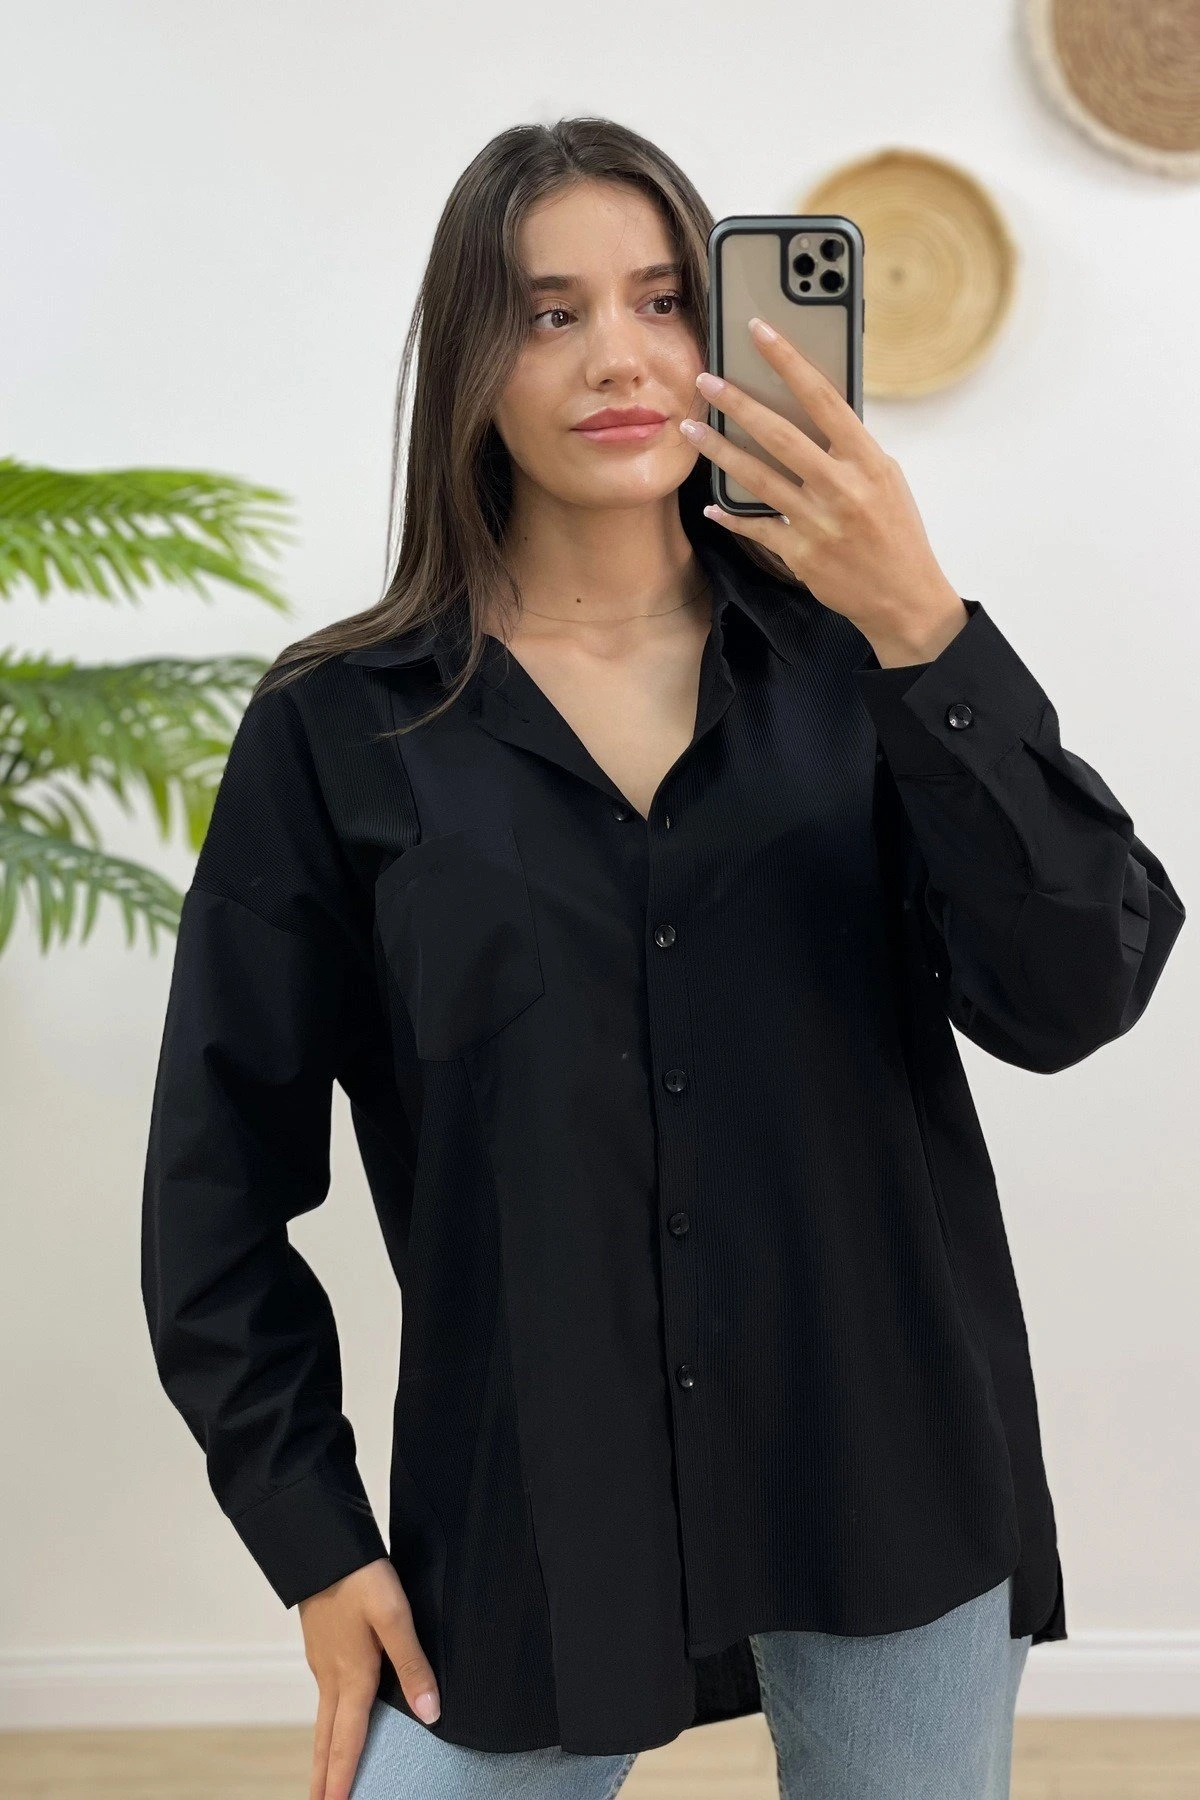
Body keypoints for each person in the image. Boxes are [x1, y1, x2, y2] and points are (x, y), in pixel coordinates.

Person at [140, 118, 1186, 1800]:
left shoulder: (866, 663)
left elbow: (1079, 990)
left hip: (891, 1465)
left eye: (661, 300)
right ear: (469, 361)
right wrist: (315, 1542)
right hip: (540, 1503)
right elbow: (213, 1188)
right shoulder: (339, 729)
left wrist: (925, 629)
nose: (618, 356)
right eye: (548, 313)